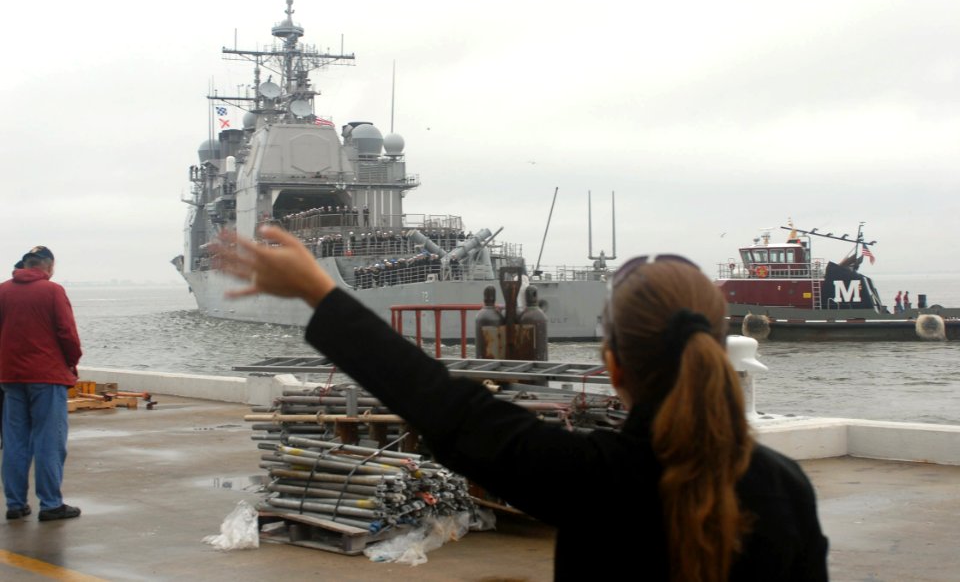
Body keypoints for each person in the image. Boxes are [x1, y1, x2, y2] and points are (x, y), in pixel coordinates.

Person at [214, 227, 828, 581]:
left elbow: (449, 408)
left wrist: (320, 291)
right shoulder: (788, 489)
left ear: (611, 366)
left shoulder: (587, 480)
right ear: (721, 350)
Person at [0, 246, 82, 522]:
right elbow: (67, 333)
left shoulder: (3, 291)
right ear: (48, 266)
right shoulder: (52, 291)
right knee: (49, 441)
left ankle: (14, 503)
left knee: (14, 441)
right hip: (47, 376)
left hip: (11, 378)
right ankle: (50, 504)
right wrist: (72, 362)